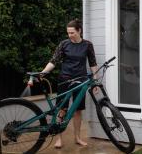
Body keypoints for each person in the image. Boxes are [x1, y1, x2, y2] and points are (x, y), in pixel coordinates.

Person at [30, 19, 98, 148]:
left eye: (72, 32)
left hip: (81, 81)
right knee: (61, 109)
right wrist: (43, 72)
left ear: (79, 31)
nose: (70, 35)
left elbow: (93, 63)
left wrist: (95, 81)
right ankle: (58, 138)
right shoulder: (64, 44)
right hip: (64, 80)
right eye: (68, 33)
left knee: (78, 110)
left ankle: (77, 137)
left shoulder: (87, 45)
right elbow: (54, 61)